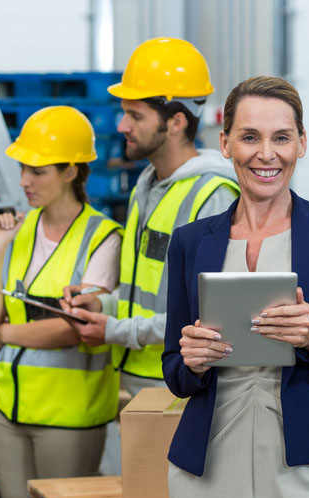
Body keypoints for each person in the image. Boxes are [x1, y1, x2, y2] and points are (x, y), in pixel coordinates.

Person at [161, 76, 309, 498]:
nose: (266, 153)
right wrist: (193, 361)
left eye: (282, 137)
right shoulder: (191, 242)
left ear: (302, 142)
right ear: (225, 143)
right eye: (249, 137)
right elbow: (175, 374)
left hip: (300, 472)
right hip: (208, 467)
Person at [61, 37, 239, 475]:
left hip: (182, 389)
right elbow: (148, 289)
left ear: (176, 121)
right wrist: (101, 304)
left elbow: (212, 318)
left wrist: (115, 329)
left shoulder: (212, 197)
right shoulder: (148, 187)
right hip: (137, 381)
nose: (122, 125)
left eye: (134, 115)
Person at [0, 106, 122, 498]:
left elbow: (72, 329)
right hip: (6, 405)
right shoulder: (17, 229)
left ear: (71, 170)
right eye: (23, 168)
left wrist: (7, 332)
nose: (24, 181)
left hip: (69, 414)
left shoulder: (104, 239)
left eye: (37, 171)